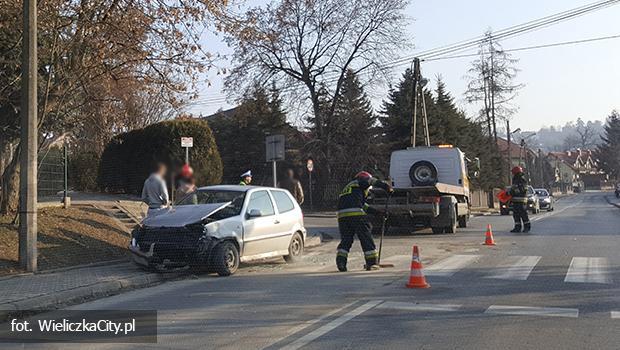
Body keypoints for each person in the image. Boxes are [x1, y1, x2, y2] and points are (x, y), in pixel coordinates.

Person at [336, 171, 393, 272]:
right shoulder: (359, 181)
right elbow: (371, 181)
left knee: (346, 240)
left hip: (342, 217)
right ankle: (372, 263)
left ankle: (341, 263)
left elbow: (363, 205)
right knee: (366, 237)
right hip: (356, 215)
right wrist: (386, 187)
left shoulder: (350, 189)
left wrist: (378, 213)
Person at [509, 166, 531, 233]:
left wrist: (514, 191)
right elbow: (513, 188)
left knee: (523, 214)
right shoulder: (515, 179)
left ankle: (527, 227)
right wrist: (509, 193)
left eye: (513, 173)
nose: (512, 174)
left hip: (521, 201)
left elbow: (523, 189)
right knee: (516, 215)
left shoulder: (522, 179)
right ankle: (517, 227)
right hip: (515, 201)